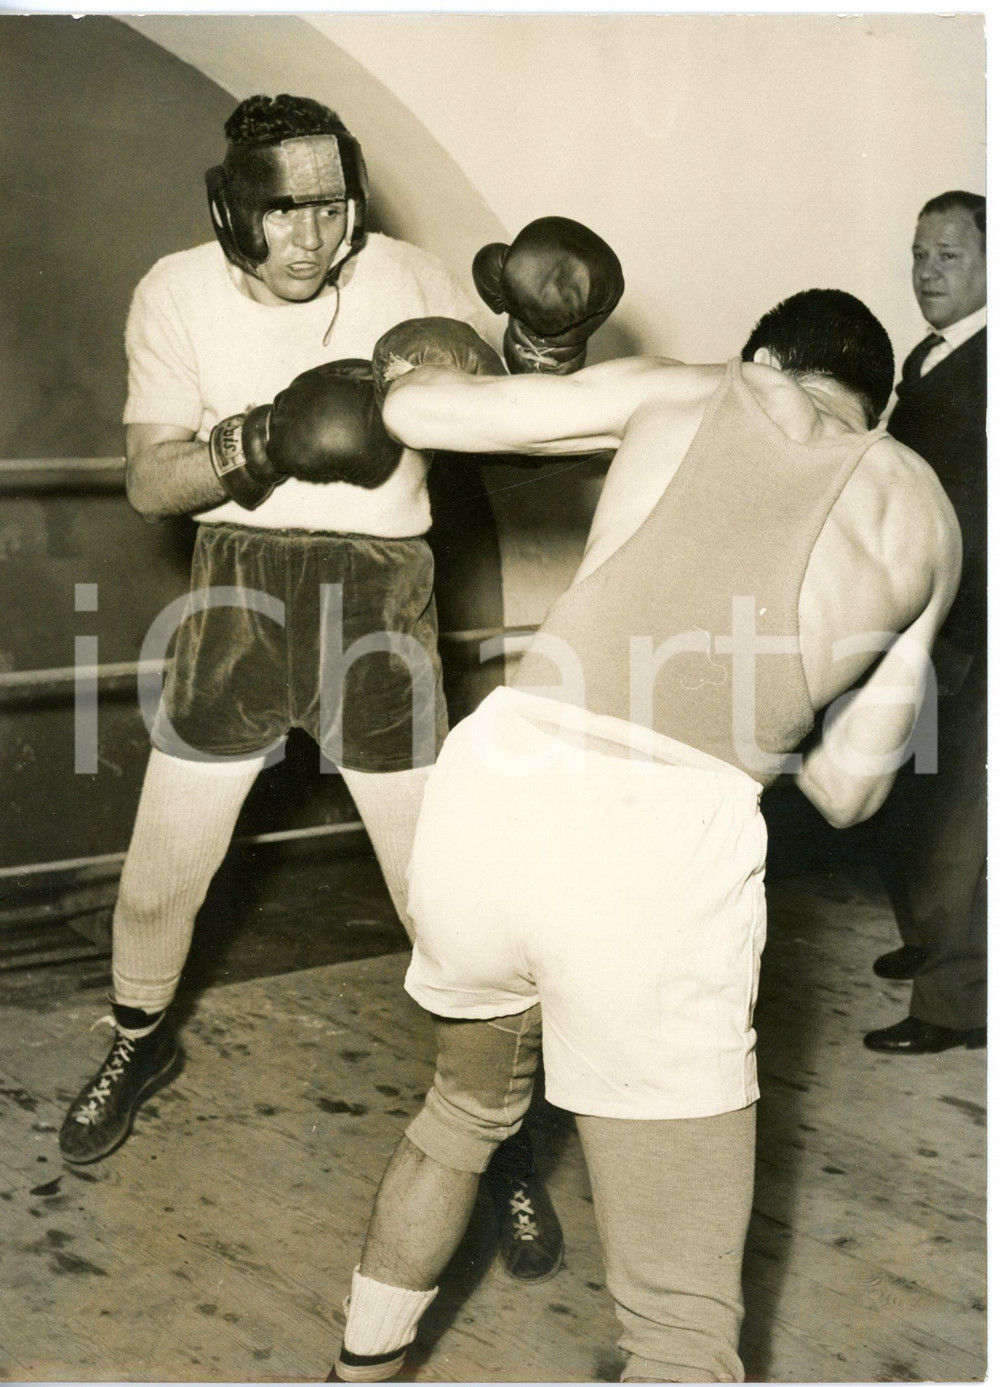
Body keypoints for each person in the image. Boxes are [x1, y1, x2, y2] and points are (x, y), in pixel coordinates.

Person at [330, 290, 961, 1383]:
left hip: (503, 781)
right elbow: (852, 792)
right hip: (662, 842)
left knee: (463, 1108)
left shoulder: (687, 383)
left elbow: (426, 415)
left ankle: (356, 1368)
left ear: (761, 352)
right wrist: (776, 687)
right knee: (677, 1318)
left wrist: (396, 377)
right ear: (880, 404)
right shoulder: (930, 520)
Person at [56, 94, 632, 1280]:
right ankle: (136, 1037)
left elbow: (511, 424)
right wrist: (261, 440)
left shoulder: (408, 273)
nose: (313, 237)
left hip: (383, 596)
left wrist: (545, 345)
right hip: (236, 593)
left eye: (330, 205)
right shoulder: (173, 292)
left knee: (442, 892)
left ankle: (506, 1133)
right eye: (282, 212)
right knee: (167, 858)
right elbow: (154, 482)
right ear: (231, 211)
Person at [862, 192, 987, 1054]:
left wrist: (959, 628)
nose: (927, 270)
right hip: (928, 616)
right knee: (915, 793)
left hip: (971, 620)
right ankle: (933, 942)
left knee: (958, 818)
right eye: (918, 254)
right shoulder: (934, 354)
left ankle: (957, 1003)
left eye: (948, 253)